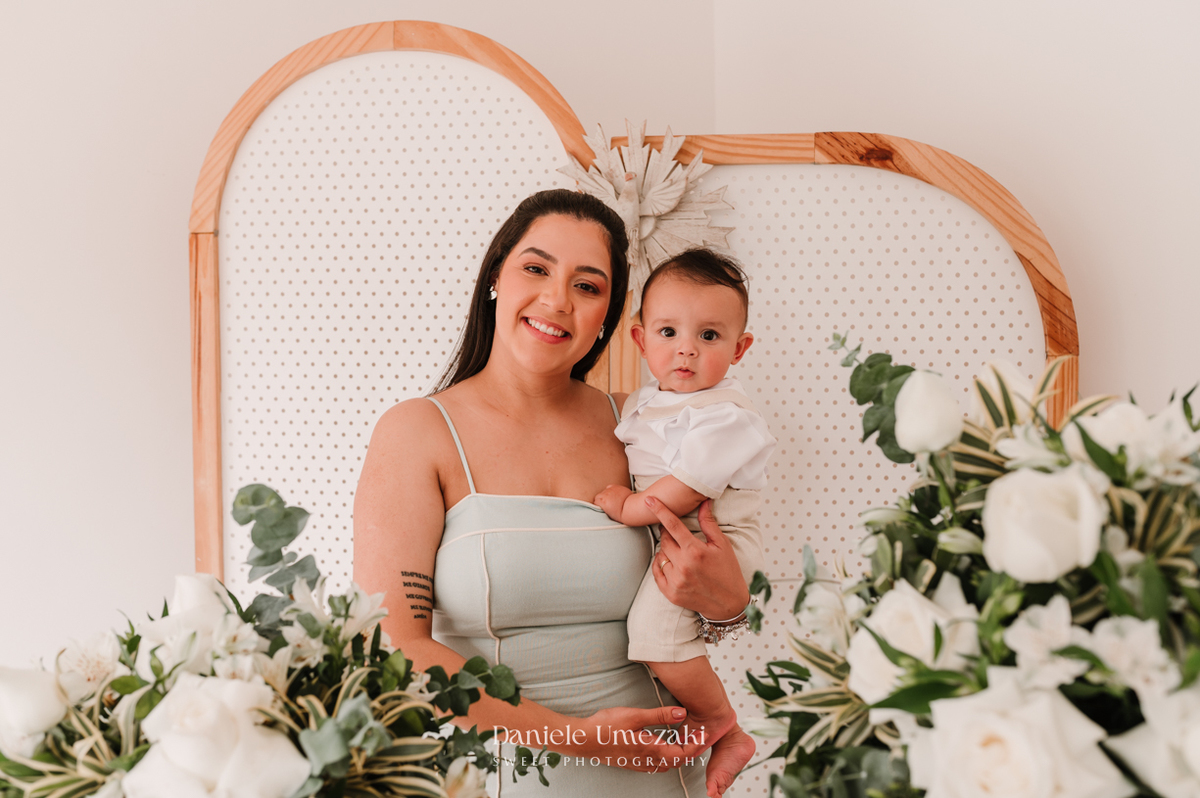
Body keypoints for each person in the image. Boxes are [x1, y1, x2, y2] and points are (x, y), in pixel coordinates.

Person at [353, 190, 755, 798]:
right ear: (496, 278)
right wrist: (577, 736)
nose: (557, 300)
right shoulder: (417, 432)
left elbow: (706, 588)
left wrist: (728, 606)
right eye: (536, 269)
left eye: (588, 287)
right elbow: (392, 648)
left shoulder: (644, 427)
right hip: (493, 778)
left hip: (666, 774)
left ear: (610, 320)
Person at [594, 249, 774, 797]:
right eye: (669, 331)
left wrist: (628, 507)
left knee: (653, 636)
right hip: (673, 529)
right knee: (656, 633)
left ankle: (722, 722)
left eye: (710, 336)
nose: (687, 349)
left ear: (740, 348)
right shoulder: (647, 403)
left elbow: (686, 487)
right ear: (640, 338)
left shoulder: (727, 416)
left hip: (713, 537)